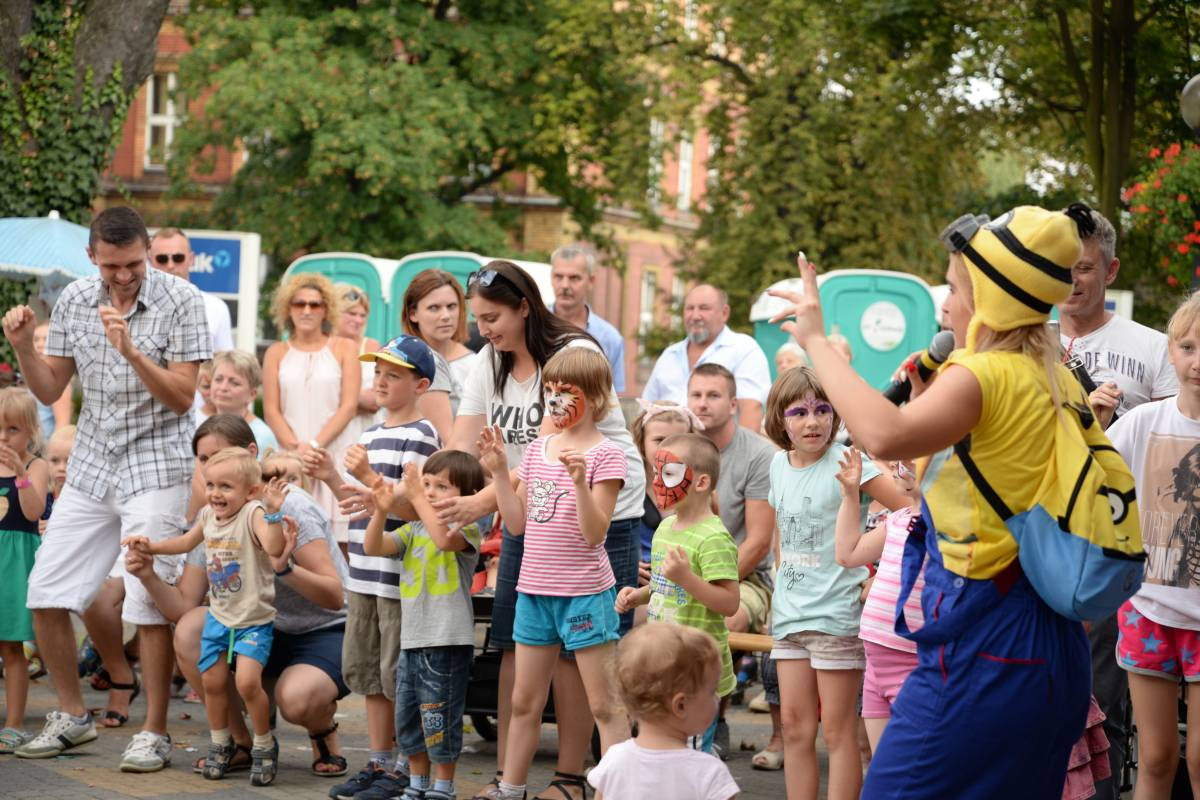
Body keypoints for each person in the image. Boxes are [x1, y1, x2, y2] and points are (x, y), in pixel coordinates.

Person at [769, 206, 1106, 797]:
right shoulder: (1052, 371)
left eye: (953, 288)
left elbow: (882, 435)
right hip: (1048, 643)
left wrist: (816, 341)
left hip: (989, 642)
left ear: (991, 298)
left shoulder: (985, 375)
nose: (945, 305)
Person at [3, 206, 210, 771]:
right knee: (45, 590)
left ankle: (155, 730)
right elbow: (48, 392)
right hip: (94, 461)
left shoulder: (181, 301)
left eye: (135, 264)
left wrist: (133, 352)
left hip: (158, 460)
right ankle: (73, 716)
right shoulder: (73, 300)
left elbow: (183, 399)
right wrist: (23, 345)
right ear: (92, 257)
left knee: (146, 599)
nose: (124, 275)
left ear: (147, 252)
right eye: (113, 265)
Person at [443, 261, 646, 800]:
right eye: (478, 319)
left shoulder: (573, 359)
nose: (483, 329)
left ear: (524, 306)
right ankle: (512, 781)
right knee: (517, 648)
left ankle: (575, 778)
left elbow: (563, 460)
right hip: (531, 519)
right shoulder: (492, 361)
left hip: (600, 516)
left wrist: (482, 499)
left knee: (583, 666)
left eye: (493, 317)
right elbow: (474, 449)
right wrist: (439, 494)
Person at [130, 415, 350, 778]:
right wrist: (148, 575)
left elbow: (332, 596)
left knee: (296, 700)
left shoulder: (286, 507)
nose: (213, 472)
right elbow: (184, 605)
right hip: (255, 626)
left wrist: (284, 568)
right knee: (190, 629)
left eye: (221, 457)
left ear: (251, 456)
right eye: (203, 461)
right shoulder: (213, 516)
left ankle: (321, 730)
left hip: (322, 630)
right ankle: (240, 743)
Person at [1056, 207, 1177, 800]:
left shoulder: (1156, 349)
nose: (1072, 281)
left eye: (1084, 268)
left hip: (1116, 541)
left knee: (1105, 698)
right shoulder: (1025, 339)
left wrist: (1114, 422)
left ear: (1111, 270)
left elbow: (1181, 447)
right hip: (1042, 537)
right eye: (1061, 269)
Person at [476, 346, 628, 800]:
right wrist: (502, 472)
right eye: (550, 390)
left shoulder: (607, 456)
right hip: (535, 593)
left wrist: (581, 483)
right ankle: (512, 786)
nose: (556, 399)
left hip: (584, 594)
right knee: (524, 700)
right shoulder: (539, 450)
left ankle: (618, 789)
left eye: (568, 391)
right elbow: (517, 524)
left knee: (603, 702)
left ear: (596, 398)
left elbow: (594, 534)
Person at [305, 335, 440, 800]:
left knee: (399, 677)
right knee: (370, 677)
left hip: (397, 580)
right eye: (378, 372)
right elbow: (362, 505)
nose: (381, 381)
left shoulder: (421, 436)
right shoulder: (370, 434)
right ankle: (380, 763)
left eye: (393, 374)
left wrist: (364, 477)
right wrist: (329, 476)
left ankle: (406, 768)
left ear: (420, 384)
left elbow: (412, 509)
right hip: (363, 575)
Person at [762, 366, 906, 800]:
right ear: (780, 419)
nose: (813, 421)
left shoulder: (847, 462)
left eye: (823, 410)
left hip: (835, 616)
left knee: (840, 733)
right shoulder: (776, 464)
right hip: (789, 616)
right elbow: (782, 536)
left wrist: (876, 570)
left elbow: (908, 511)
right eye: (800, 412)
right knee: (793, 727)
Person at [123, 448, 289, 785]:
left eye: (226, 486)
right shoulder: (208, 517)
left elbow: (273, 548)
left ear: (251, 491)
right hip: (220, 617)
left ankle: (263, 744)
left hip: (252, 621)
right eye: (211, 484)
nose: (215, 493)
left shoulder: (253, 513)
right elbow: (185, 542)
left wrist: (273, 515)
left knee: (246, 683)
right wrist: (150, 548)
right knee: (212, 684)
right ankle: (221, 743)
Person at [1106, 292, 1200, 798]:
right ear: (1170, 352)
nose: (1198, 362)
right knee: (1157, 756)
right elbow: (1093, 483)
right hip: (1148, 609)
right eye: (1187, 347)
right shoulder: (1143, 423)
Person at [362, 451, 486, 800]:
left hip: (447, 641)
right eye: (426, 483)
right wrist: (382, 510)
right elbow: (374, 547)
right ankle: (416, 785)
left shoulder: (467, 528)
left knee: (439, 717)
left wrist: (414, 494)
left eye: (441, 486)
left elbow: (444, 540)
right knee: (410, 718)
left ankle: (443, 787)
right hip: (413, 640)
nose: (429, 491)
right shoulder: (413, 530)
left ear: (467, 496)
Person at [615, 432, 740, 754]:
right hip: (664, 665)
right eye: (656, 473)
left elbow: (729, 603)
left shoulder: (713, 537)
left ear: (700, 483)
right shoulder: (666, 528)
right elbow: (664, 585)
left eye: (667, 473)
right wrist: (637, 595)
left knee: (690, 758)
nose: (657, 482)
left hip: (696, 672)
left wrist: (687, 578)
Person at [832, 451, 924, 753]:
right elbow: (848, 554)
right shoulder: (898, 518)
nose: (902, 464)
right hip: (876, 660)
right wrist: (849, 494)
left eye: (913, 458)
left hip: (914, 661)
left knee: (908, 764)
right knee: (881, 762)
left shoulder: (947, 528)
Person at [587, 622, 739, 800]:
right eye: (712, 691)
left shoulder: (613, 760)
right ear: (681, 705)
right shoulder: (709, 774)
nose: (719, 699)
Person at [262, 272, 362, 543]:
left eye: (315, 304)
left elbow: (349, 405)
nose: (307, 310)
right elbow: (271, 409)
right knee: (292, 537)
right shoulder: (276, 352)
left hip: (335, 454)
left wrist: (315, 446)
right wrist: (296, 450)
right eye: (299, 303)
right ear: (287, 308)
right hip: (291, 460)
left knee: (342, 540)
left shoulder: (344, 348)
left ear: (326, 309)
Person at [688, 364, 775, 635]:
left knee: (723, 621)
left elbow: (759, 544)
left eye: (713, 396)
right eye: (696, 395)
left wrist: (700, 588)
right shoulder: (676, 448)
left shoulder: (759, 454)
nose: (702, 404)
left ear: (733, 404)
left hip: (746, 578)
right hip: (682, 573)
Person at [642, 284, 771, 431]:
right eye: (690, 308)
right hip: (667, 450)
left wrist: (742, 453)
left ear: (724, 313)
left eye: (704, 308)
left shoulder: (743, 349)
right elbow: (647, 410)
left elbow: (751, 410)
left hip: (721, 451)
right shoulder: (669, 355)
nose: (695, 316)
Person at [0, 388, 50, 753]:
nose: (4, 438)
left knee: (12, 647)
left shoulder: (36, 466)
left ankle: (14, 724)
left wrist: (19, 473)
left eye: (13, 430)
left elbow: (33, 513)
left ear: (31, 430)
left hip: (15, 563)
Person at [628, 401, 705, 621]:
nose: (668, 449)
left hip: (685, 580)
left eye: (677, 441)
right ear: (641, 444)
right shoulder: (629, 485)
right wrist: (627, 563)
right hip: (640, 579)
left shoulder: (699, 490)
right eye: (659, 440)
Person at [399, 271, 472, 444]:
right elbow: (447, 441)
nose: (445, 315)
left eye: (452, 306)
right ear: (413, 314)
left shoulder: (477, 361)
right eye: (434, 308)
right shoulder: (405, 361)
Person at [549, 244, 625, 393]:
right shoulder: (532, 326)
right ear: (551, 277)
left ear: (591, 281)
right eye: (559, 276)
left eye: (574, 278)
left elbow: (615, 398)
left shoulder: (609, 338)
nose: (565, 285)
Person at [149, 227, 234, 354]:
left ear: (191, 259)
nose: (170, 265)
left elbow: (225, 362)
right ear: (150, 261)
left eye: (178, 258)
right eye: (162, 259)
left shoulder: (216, 308)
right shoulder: (138, 305)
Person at [334, 283, 383, 449]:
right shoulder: (322, 346)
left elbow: (376, 400)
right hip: (330, 432)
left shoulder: (372, 346)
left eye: (363, 315)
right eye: (351, 313)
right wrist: (357, 399)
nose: (358, 320)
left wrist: (342, 399)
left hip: (366, 432)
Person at [210, 350, 279, 453]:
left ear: (252, 394)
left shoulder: (260, 436)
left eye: (235, 383)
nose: (223, 387)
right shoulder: (203, 426)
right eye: (218, 379)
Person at [31, 322, 72, 437]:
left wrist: (50, 454)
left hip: (45, 450)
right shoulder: (32, 378)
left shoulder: (58, 380)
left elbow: (62, 424)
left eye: (46, 339)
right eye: (35, 339)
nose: (39, 344)